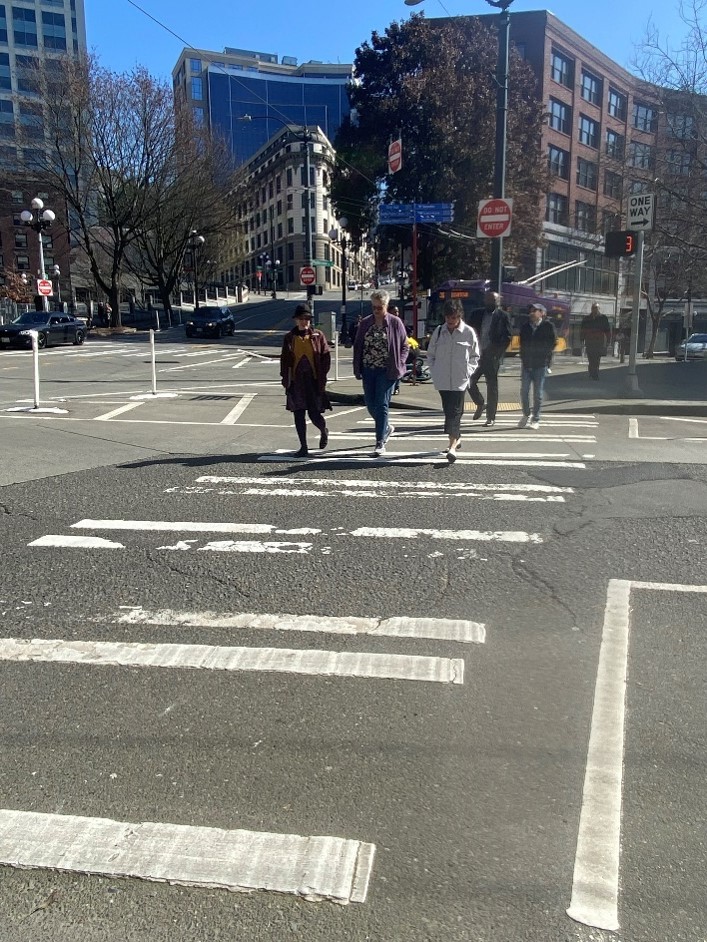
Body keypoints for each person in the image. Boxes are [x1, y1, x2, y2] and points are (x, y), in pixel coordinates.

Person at [353, 288, 408, 457]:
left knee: (382, 404)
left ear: (386, 305)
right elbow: (358, 346)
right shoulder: (365, 323)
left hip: (387, 369)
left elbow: (405, 345)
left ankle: (379, 442)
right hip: (369, 368)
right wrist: (358, 367)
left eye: (380, 307)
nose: (377, 311)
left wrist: (400, 362)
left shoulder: (395, 322)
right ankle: (386, 427)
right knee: (370, 404)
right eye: (374, 307)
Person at [427, 298, 480, 463]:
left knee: (454, 413)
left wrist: (467, 371)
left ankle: (451, 447)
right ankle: (457, 438)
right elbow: (431, 355)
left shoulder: (468, 332)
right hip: (442, 379)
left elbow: (474, 356)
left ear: (459, 316)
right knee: (448, 410)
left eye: (454, 317)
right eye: (448, 317)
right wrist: (435, 371)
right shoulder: (438, 332)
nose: (451, 321)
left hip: (459, 379)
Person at [279, 303, 331, 458]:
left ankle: (323, 430)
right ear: (296, 320)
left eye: (307, 318)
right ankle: (303, 446)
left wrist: (322, 375)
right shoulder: (289, 337)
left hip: (313, 381)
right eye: (301, 318)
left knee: (315, 414)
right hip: (296, 382)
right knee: (298, 414)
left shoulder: (318, 336)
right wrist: (285, 379)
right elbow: (284, 360)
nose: (304, 321)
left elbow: (325, 357)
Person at [466, 290, 512, 427]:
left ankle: (490, 417)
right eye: (489, 300)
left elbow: (507, 337)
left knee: (492, 387)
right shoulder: (476, 314)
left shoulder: (503, 316)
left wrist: (498, 354)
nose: (491, 303)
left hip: (492, 356)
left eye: (494, 301)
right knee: (469, 381)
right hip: (476, 355)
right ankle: (480, 403)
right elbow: (467, 332)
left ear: (498, 302)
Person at [518, 303, 557, 430]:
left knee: (538, 394)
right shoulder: (525, 326)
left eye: (535, 310)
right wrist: (523, 356)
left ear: (542, 313)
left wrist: (546, 356)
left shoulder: (548, 326)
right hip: (527, 363)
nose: (532, 312)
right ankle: (526, 414)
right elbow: (522, 343)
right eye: (531, 310)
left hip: (540, 364)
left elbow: (552, 342)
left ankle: (536, 418)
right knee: (524, 391)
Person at [580, 303, 612, 379]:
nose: (595, 309)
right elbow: (582, 330)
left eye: (597, 308)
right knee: (590, 358)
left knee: (597, 358)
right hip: (589, 341)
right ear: (591, 309)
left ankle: (595, 373)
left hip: (598, 342)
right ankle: (591, 371)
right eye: (594, 308)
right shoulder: (587, 319)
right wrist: (582, 340)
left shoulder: (603, 318)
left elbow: (607, 330)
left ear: (599, 309)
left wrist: (608, 340)